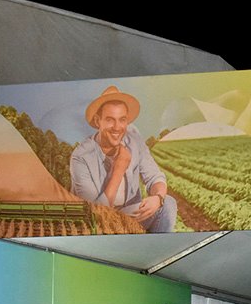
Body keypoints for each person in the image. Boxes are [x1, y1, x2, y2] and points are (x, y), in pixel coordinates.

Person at [70, 86, 177, 233]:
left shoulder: (135, 142)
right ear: (98, 121)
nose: (117, 127)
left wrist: (158, 198)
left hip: (128, 214)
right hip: (97, 225)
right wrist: (119, 169)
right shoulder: (81, 157)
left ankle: (157, 245)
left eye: (122, 120)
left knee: (168, 204)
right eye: (110, 120)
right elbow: (96, 214)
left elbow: (155, 177)